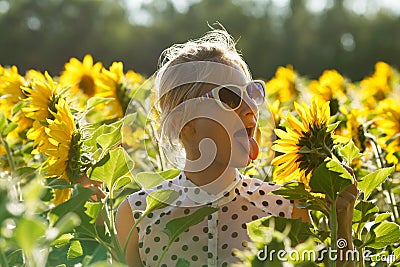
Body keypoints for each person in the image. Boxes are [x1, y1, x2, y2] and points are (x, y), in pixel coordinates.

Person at [115, 29, 357, 267]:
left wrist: (342, 225)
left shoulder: (284, 207)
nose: (250, 106)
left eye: (252, 93)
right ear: (184, 124)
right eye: (230, 97)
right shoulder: (137, 215)